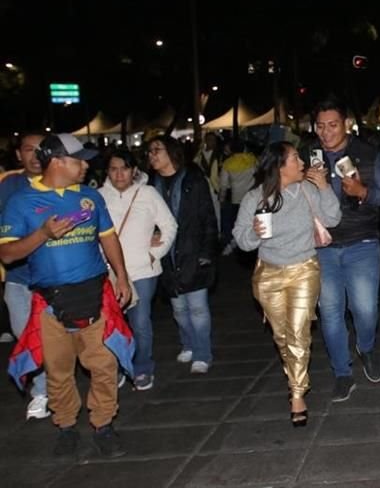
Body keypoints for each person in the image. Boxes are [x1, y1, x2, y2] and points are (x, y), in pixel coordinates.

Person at [1, 134, 133, 458]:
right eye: (79, 159)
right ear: (57, 161)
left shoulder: (90, 197)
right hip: (50, 304)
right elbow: (6, 254)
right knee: (58, 370)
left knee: (103, 364)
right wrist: (43, 234)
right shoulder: (22, 202)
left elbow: (109, 238)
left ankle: (103, 425)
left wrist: (123, 276)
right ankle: (66, 426)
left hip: (95, 296)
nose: (86, 165)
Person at [233, 142, 340, 425]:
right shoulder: (254, 199)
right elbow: (242, 241)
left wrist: (325, 187)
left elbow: (333, 218)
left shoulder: (306, 190)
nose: (302, 162)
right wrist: (255, 233)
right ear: (280, 166)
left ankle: (297, 394)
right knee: (283, 337)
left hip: (304, 268)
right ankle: (297, 378)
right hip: (268, 275)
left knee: (298, 333)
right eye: (295, 158)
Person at [312, 98, 380, 402]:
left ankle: (366, 346)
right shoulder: (310, 156)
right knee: (330, 311)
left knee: (365, 309)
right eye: (320, 126)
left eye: (332, 125)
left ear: (345, 124)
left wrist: (363, 192)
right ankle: (342, 373)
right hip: (323, 246)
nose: (326, 132)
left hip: (362, 242)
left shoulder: (367, 153)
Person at [99, 148, 178, 391]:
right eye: (113, 169)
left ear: (134, 170)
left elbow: (169, 225)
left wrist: (154, 254)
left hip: (143, 271)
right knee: (110, 324)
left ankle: (142, 367)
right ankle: (118, 368)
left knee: (140, 322)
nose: (119, 174)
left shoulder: (147, 193)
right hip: (108, 272)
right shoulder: (98, 196)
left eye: (124, 168)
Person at [147, 135, 219, 374]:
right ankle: (188, 343)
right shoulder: (149, 185)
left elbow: (208, 217)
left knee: (197, 307)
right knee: (178, 308)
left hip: (193, 250)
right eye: (150, 151)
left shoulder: (193, 180)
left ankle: (203, 352)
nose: (152, 155)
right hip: (166, 255)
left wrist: (208, 251)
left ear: (172, 152)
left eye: (158, 150)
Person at [0, 132, 51, 419]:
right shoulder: (8, 184)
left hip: (54, 279)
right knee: (26, 335)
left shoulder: (60, 182)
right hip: (18, 278)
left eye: (41, 149)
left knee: (62, 339)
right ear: (19, 154)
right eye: (28, 150)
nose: (34, 155)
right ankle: (42, 389)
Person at [219, 139, 257, 255]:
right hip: (252, 197)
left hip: (236, 198)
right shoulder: (252, 160)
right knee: (252, 222)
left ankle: (233, 245)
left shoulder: (228, 163)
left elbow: (224, 184)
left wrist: (221, 198)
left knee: (237, 223)